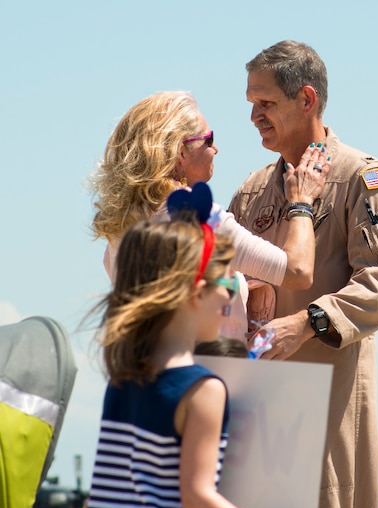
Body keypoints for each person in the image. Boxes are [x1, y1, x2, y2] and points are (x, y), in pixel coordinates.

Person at [228, 40, 378, 508]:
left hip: (331, 403)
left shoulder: (363, 178)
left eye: (265, 102)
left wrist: (307, 321)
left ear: (306, 99)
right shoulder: (250, 191)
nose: (253, 115)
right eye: (250, 102)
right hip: (258, 412)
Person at [81, 184, 329, 508]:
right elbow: (197, 501)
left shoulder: (125, 376)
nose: (233, 293)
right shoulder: (202, 391)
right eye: (227, 283)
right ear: (197, 295)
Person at [89, 90, 330, 339]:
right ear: (180, 153)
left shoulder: (119, 232)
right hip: (202, 371)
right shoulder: (201, 219)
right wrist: (301, 201)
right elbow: (297, 272)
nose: (215, 149)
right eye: (208, 139)